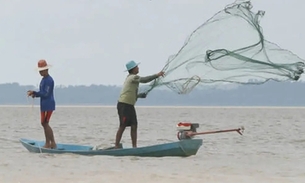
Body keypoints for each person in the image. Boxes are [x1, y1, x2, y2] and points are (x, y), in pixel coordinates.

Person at [115, 60, 164, 148]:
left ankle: (134, 147)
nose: (138, 68)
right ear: (133, 69)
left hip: (129, 105)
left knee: (134, 125)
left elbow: (131, 93)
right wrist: (157, 75)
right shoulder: (133, 77)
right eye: (137, 67)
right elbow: (145, 80)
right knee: (123, 125)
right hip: (124, 105)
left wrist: (140, 95)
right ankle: (116, 145)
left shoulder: (132, 78)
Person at [27, 59, 57, 149]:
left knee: (45, 123)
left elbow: (46, 93)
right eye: (40, 71)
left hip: (48, 104)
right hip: (44, 104)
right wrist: (35, 94)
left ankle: (51, 143)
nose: (40, 72)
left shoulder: (49, 80)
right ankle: (49, 143)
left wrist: (35, 93)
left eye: (42, 71)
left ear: (46, 70)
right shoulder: (43, 80)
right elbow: (42, 92)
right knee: (44, 123)